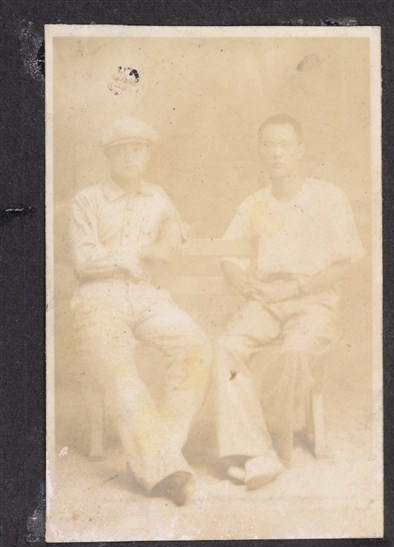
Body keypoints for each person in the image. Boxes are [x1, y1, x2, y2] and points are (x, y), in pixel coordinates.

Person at [214, 113, 364, 489]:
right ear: (260, 152)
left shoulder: (328, 197)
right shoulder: (255, 203)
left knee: (294, 351)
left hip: (314, 299)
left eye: (284, 145)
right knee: (227, 346)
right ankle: (258, 452)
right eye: (269, 145)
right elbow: (229, 256)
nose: (276, 153)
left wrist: (295, 290)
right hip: (266, 299)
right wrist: (246, 284)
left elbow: (343, 263)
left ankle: (267, 449)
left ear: (300, 151)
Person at [70, 115, 212, 505]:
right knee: (118, 365)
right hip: (98, 297)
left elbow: (176, 230)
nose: (131, 158)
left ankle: (156, 454)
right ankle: (165, 470)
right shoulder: (88, 199)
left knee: (196, 347)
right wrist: (141, 252)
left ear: (147, 155)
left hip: (145, 296)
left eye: (138, 150)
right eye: (122, 151)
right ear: (108, 157)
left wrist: (174, 230)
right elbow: (84, 260)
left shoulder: (157, 197)